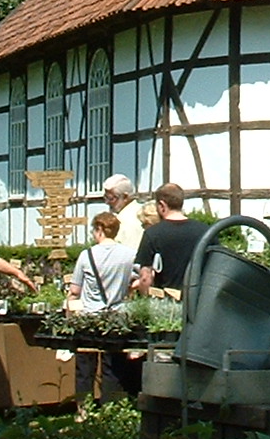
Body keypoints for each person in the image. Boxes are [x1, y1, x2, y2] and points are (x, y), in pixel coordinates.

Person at [70, 211, 140, 405]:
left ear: (100, 230)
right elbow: (141, 278)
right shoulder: (129, 255)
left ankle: (83, 410)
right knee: (113, 367)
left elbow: (75, 289)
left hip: (89, 317)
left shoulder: (86, 255)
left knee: (85, 367)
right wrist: (129, 287)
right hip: (116, 316)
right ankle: (111, 409)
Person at [134, 183, 203, 296]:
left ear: (162, 205)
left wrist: (144, 299)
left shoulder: (152, 234)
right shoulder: (205, 231)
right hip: (196, 299)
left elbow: (145, 278)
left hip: (166, 301)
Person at [102, 173, 144, 253]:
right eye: (105, 197)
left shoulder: (126, 221)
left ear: (125, 197)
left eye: (111, 198)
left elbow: (128, 254)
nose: (107, 202)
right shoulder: (141, 209)